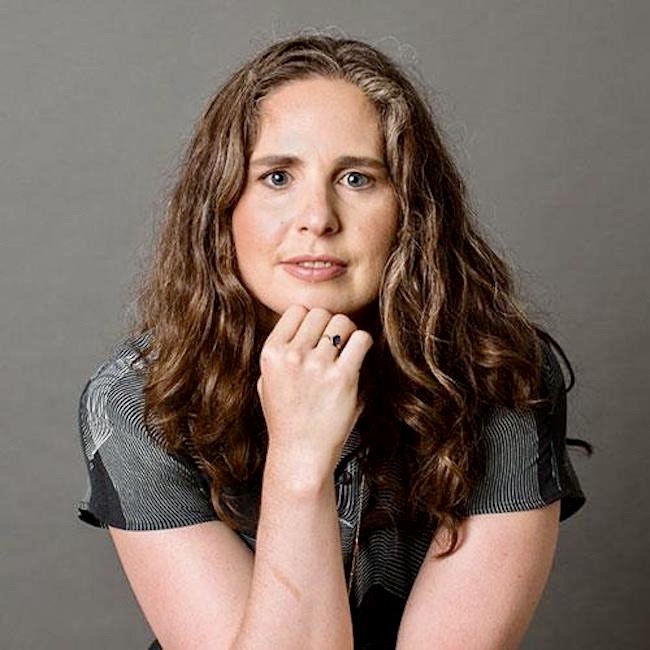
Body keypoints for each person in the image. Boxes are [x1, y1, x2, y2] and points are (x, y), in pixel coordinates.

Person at [76, 32, 587, 649]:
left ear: (410, 210)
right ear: (221, 206)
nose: (317, 217)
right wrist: (299, 462)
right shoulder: (138, 402)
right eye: (277, 177)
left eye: (356, 178)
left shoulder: (501, 376)